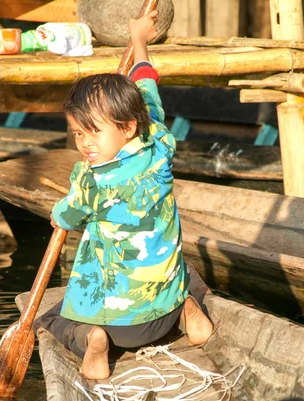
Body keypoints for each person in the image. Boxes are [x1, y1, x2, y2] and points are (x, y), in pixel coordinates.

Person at [34, 10, 213, 380]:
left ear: (128, 126)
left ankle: (93, 343)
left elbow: (67, 215)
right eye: (78, 133)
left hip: (115, 327)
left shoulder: (90, 180)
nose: (84, 143)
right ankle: (188, 313)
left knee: (52, 318)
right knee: (188, 274)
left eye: (92, 133)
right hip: (161, 316)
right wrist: (141, 42)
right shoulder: (158, 141)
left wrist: (58, 212)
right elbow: (147, 83)